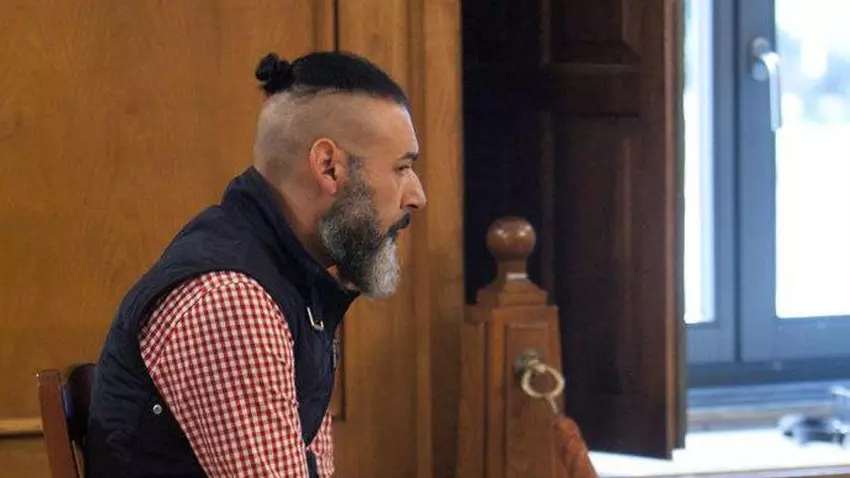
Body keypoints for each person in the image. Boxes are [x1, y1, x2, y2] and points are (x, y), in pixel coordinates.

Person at [85, 51, 427, 478]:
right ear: (329, 167)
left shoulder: (293, 281)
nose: (417, 196)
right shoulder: (234, 301)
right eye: (402, 168)